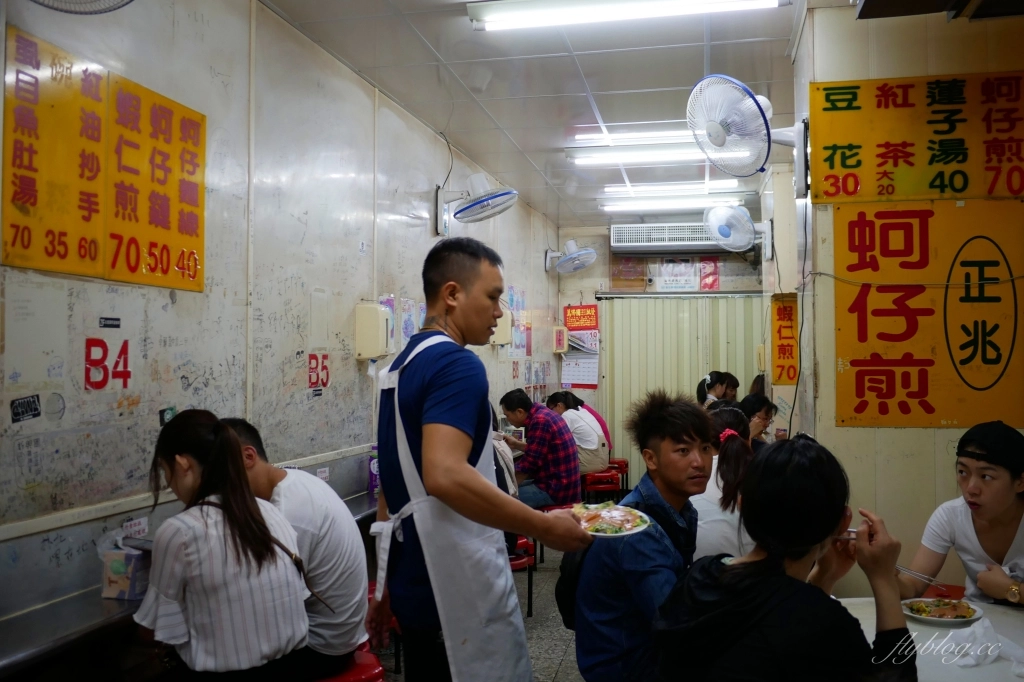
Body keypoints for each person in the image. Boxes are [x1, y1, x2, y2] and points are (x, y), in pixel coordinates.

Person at [368, 238, 591, 682]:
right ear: (452, 294)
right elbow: (444, 474)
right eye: (492, 297)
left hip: (416, 578)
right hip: (455, 588)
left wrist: (386, 581)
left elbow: (393, 484)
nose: (499, 313)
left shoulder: (400, 366)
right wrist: (544, 526)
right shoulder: (457, 365)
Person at [655, 436, 915, 682]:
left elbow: (780, 609)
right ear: (842, 523)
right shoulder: (826, 626)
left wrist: (824, 576)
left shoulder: (700, 577)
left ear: (742, 506)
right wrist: (883, 579)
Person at [135, 410, 311, 678]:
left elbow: (153, 630)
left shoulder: (180, 531)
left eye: (164, 471)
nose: (168, 483)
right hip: (296, 668)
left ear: (182, 465)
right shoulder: (269, 511)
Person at [575, 391, 712, 682]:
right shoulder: (635, 529)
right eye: (683, 451)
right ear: (651, 459)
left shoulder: (676, 509)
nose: (700, 462)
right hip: (626, 665)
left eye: (705, 447)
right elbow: (675, 625)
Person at [225, 418, 369, 678]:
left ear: (248, 456)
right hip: (340, 633)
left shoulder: (287, 513)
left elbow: (273, 608)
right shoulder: (294, 481)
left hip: (323, 648)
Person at [898, 421, 1024, 605]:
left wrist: (1010, 589)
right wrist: (883, 572)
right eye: (963, 472)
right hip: (977, 626)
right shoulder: (950, 516)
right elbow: (913, 587)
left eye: (986, 476)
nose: (971, 489)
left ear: (1020, 482)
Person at [501, 388, 582, 509]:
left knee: (501, 502)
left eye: (507, 415)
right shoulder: (542, 412)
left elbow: (529, 465)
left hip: (557, 490)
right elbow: (540, 450)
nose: (507, 419)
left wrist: (506, 485)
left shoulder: (540, 421)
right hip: (561, 483)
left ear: (519, 412)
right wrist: (516, 444)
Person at [692, 408, 755, 561]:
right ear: (748, 440)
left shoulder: (692, 480)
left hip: (698, 579)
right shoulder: (764, 476)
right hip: (755, 578)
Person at [547, 391, 609, 475]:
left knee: (552, 467)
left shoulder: (566, 416)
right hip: (603, 460)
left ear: (559, 405)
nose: (550, 413)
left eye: (551, 409)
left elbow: (557, 440)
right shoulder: (581, 410)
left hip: (591, 463)